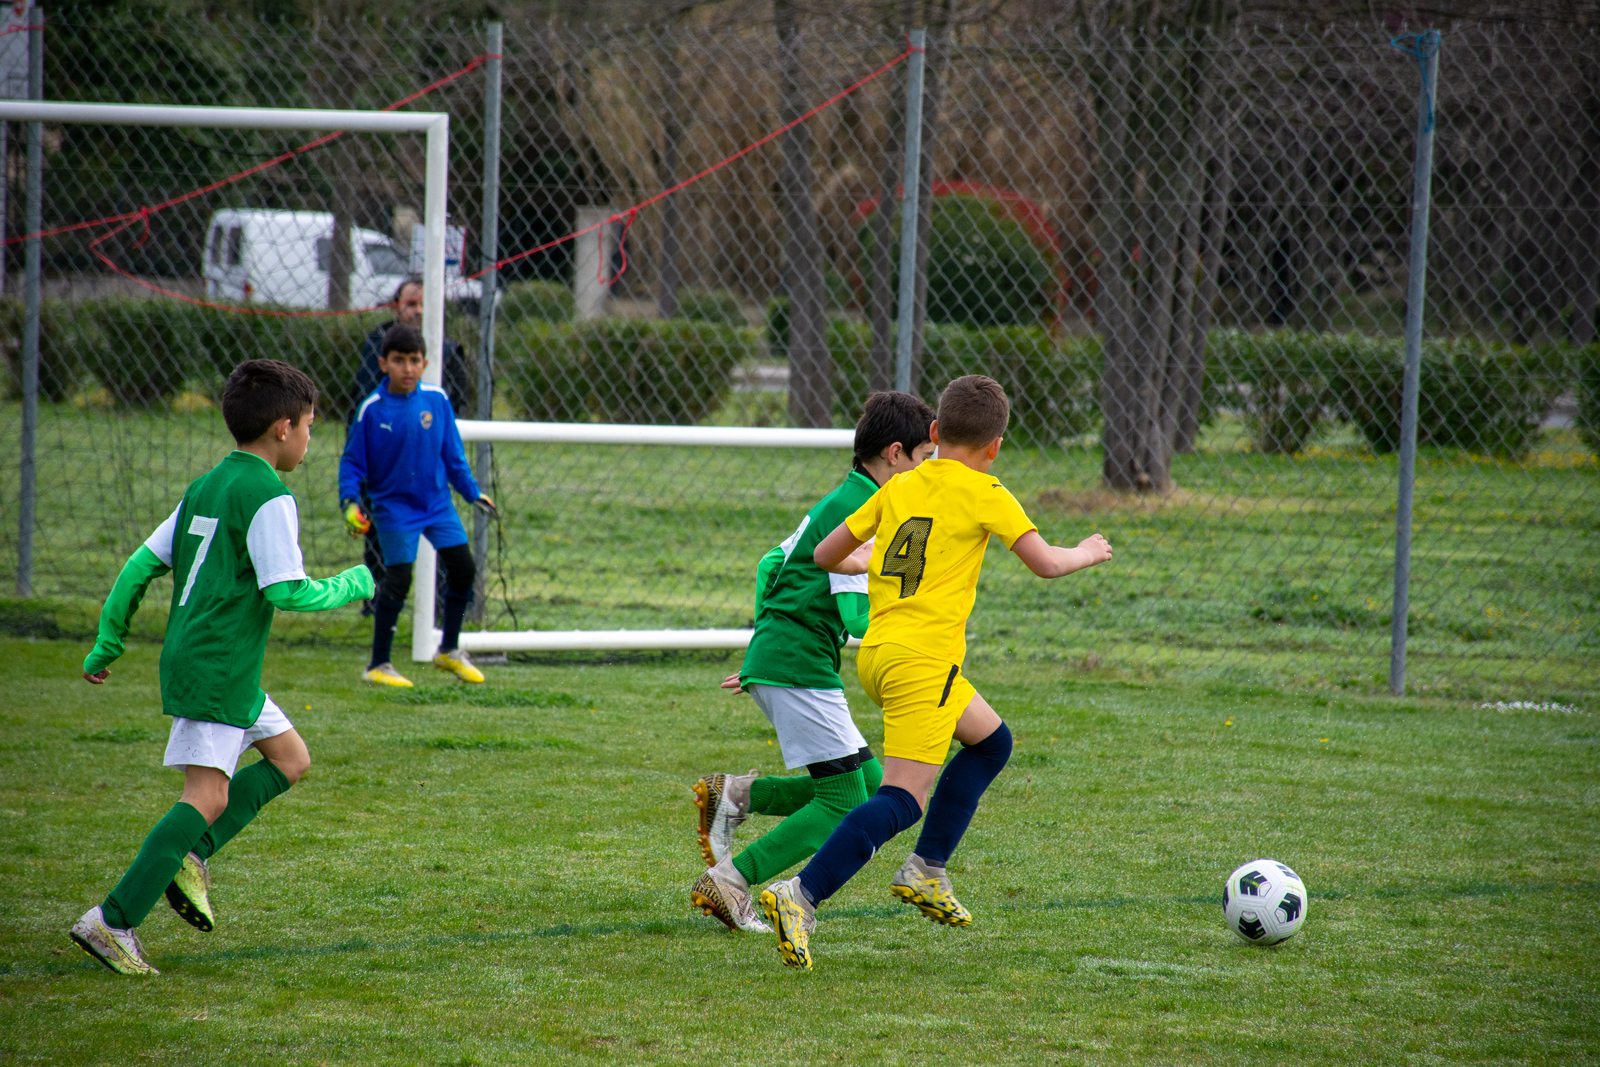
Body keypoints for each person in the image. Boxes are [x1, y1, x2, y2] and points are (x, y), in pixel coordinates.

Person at [760, 375, 1115, 970]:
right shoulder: (986, 490)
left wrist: (871, 561)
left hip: (880, 654)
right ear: (994, 447)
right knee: (901, 799)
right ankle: (801, 894)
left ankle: (927, 869)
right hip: (923, 664)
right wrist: (1088, 550)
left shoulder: (902, 484)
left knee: (991, 743)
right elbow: (1047, 564)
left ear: (933, 431)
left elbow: (823, 555)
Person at [70, 360, 374, 976]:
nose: (310, 439)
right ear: (284, 428)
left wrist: (108, 641)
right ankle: (113, 920)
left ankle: (192, 854)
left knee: (291, 760)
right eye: (310, 427)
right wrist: (353, 582)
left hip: (209, 661)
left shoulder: (205, 486)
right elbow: (287, 591)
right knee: (206, 795)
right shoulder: (268, 495)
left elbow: (139, 565)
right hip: (218, 666)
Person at [690, 391, 937, 934]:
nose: (928, 471)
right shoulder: (863, 512)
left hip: (789, 658)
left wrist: (765, 647)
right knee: (846, 800)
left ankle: (737, 795)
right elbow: (858, 619)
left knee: (872, 786)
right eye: (925, 459)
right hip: (798, 664)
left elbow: (770, 564)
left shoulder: (843, 499)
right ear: (895, 454)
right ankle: (731, 880)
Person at [341, 323, 495, 688]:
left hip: (437, 504)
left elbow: (453, 455)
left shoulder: (437, 400)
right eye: (399, 360)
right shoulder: (372, 410)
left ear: (424, 363)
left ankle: (449, 650)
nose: (407, 368)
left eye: (414, 360)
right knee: (399, 580)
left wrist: (472, 492)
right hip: (394, 508)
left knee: (463, 569)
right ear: (383, 364)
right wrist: (349, 502)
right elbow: (352, 463)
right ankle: (378, 664)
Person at [348, 276, 471, 610]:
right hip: (385, 472)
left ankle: (441, 609)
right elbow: (362, 405)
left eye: (424, 304)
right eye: (411, 304)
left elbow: (457, 402)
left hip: (429, 475)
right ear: (395, 307)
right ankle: (377, 605)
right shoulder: (377, 346)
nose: (418, 311)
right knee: (380, 540)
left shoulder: (448, 350)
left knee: (447, 546)